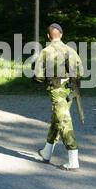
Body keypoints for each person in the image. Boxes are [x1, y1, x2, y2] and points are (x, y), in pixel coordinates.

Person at [34, 23, 84, 171]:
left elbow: (38, 76)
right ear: (61, 35)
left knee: (63, 121)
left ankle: (73, 160)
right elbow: (80, 71)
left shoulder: (45, 52)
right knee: (58, 117)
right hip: (69, 89)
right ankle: (46, 152)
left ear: (49, 36)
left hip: (55, 89)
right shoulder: (71, 51)